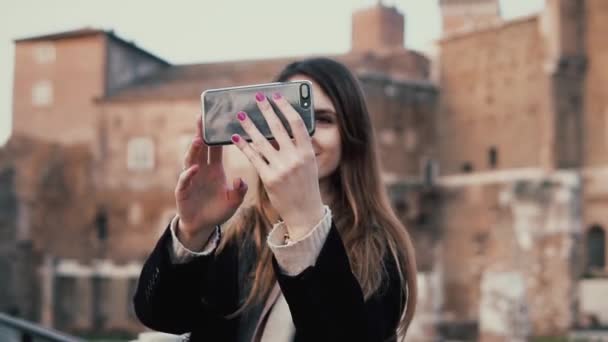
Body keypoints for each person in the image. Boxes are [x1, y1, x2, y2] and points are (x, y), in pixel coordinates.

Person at [133, 57, 418, 342]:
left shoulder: (381, 247)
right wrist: (192, 231)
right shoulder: (245, 231)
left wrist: (306, 223)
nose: (305, 135)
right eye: (288, 118)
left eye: (324, 119)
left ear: (352, 136)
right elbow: (162, 315)